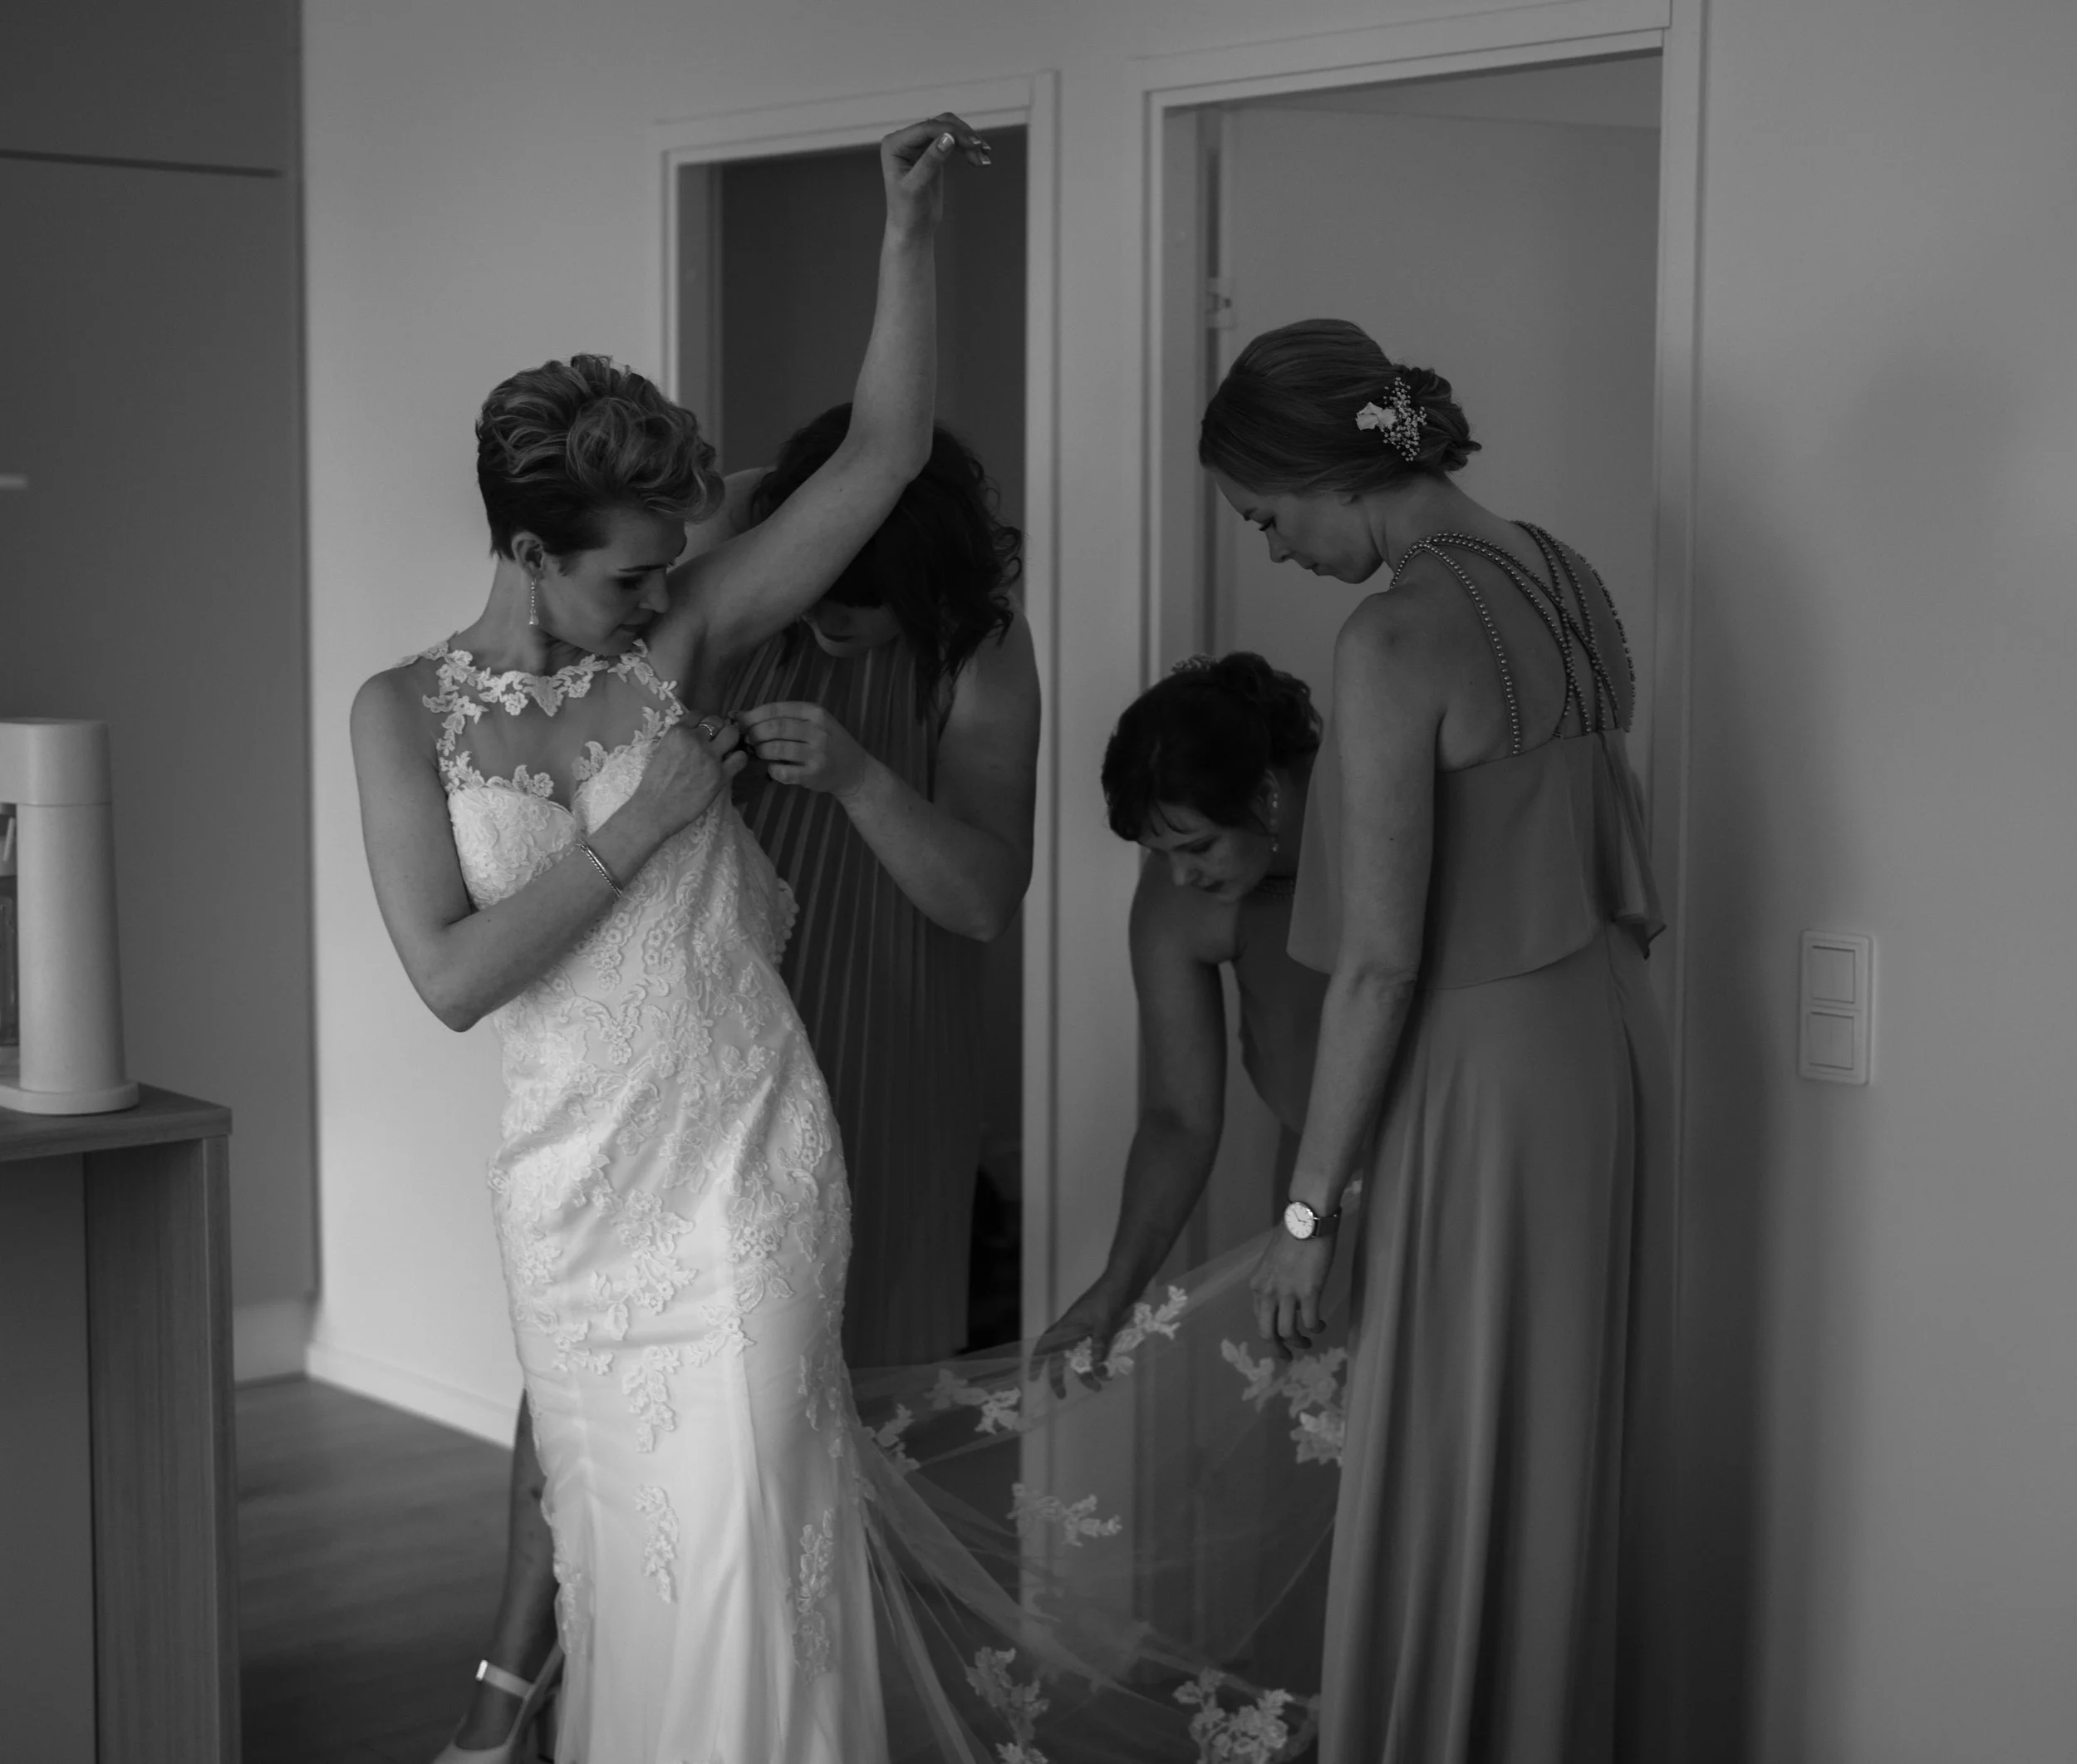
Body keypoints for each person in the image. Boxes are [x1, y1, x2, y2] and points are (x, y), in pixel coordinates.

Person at [353, 113, 988, 1762]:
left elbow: (882, 455)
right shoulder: (400, 714)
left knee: (751, 1545)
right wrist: (643, 826)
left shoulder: (681, 637)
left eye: (666, 571)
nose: (661, 598)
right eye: (629, 576)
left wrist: (905, 230)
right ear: (526, 553)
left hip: (744, 1153)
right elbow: (452, 976)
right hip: (570, 1190)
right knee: (628, 1562)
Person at [451, 405, 1038, 1757]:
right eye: (817, 596)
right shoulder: (701, 598)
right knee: (596, 1384)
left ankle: (772, 1698)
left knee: (798, 1418)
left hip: (877, 1025)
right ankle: (529, 1672)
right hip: (697, 1018)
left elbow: (983, 897)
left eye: (858, 616)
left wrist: (861, 778)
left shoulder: (980, 657)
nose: (826, 624)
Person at [1204, 318, 1672, 1763]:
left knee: (1448, 1440)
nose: (1273, 549)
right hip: (1603, 1047)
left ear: (1327, 474)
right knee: (1551, 1445)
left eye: (1265, 516)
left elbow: (1381, 963)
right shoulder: (1568, 573)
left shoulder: (1395, 634)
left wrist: (1307, 1211)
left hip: (1480, 1078)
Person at [1033, 651, 1327, 1390]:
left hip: (1460, 1153)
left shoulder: (1380, 814)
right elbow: (1179, 1116)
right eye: (1158, 853)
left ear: (1267, 793)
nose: (1181, 876)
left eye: (1196, 846)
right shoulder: (1182, 900)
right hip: (1314, 1191)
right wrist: (1117, 1285)